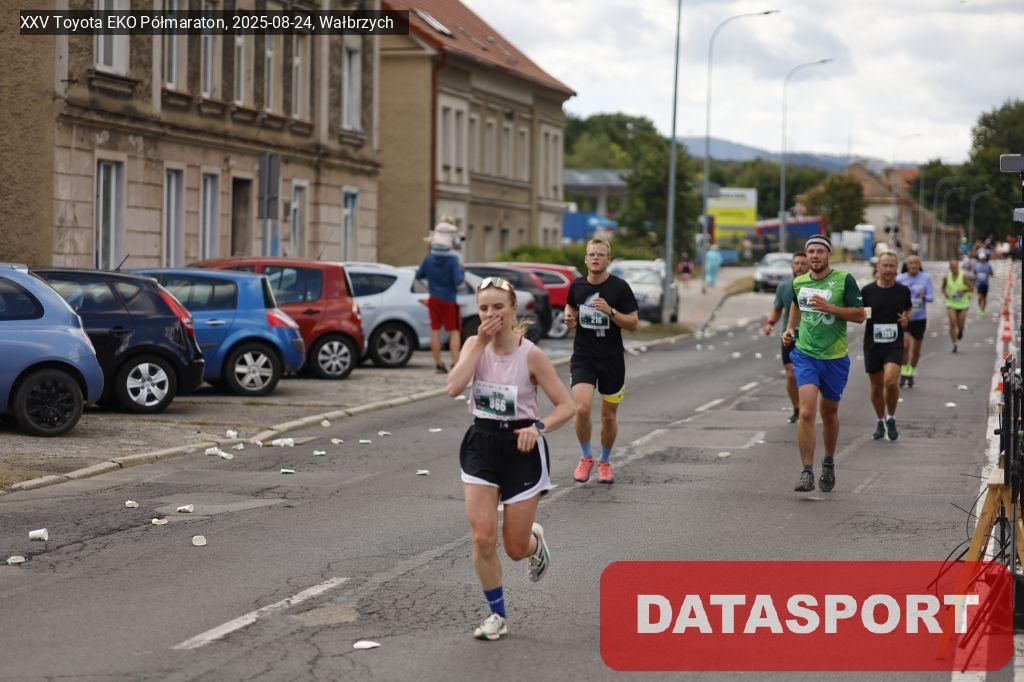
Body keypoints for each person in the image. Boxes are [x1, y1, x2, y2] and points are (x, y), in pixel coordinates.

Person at [446, 276, 574, 641]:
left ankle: (533, 542)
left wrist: (538, 426)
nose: (491, 314)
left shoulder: (530, 355)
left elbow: (567, 406)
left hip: (522, 447)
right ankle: (497, 615)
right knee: (482, 538)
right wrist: (479, 343)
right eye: (484, 308)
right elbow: (453, 387)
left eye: (499, 307)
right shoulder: (473, 345)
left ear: (513, 309)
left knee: (514, 549)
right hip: (482, 444)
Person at [782, 235, 865, 493]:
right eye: (811, 252)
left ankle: (828, 462)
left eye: (820, 251)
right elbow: (796, 305)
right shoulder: (799, 282)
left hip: (835, 358)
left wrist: (831, 308)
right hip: (806, 354)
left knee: (828, 413)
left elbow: (860, 315)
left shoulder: (844, 280)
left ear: (828, 255)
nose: (815, 256)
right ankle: (806, 471)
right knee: (807, 412)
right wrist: (790, 329)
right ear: (806, 255)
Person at [564, 238, 639, 485]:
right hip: (583, 357)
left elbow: (633, 323)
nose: (596, 258)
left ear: (608, 259)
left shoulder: (620, 288)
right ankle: (586, 457)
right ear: (585, 259)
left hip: (612, 360)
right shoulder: (577, 285)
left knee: (608, 417)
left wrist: (610, 311)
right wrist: (569, 318)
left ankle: (604, 461)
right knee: (582, 408)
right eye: (592, 254)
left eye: (600, 254)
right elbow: (570, 307)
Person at [861, 253, 912, 441]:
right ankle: (880, 420)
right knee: (876, 386)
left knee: (890, 381)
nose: (888, 269)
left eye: (892, 266)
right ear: (878, 267)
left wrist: (906, 319)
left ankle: (891, 417)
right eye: (885, 266)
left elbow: (908, 310)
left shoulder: (902, 291)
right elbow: (860, 313)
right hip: (872, 344)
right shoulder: (867, 291)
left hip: (894, 343)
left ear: (896, 269)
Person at [762, 250, 810, 424]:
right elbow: (777, 308)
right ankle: (797, 408)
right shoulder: (784, 287)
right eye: (797, 263)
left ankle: (807, 407)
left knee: (808, 376)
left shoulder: (815, 286)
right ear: (792, 266)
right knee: (791, 375)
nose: (800, 267)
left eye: (803, 263)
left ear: (809, 265)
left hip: (811, 338)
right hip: (790, 337)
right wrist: (770, 323)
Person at [416, 221, 465, 373]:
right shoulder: (453, 259)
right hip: (449, 299)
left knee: (435, 330)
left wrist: (429, 284)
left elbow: (418, 275)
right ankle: (455, 363)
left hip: (433, 299)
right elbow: (458, 281)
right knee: (454, 331)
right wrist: (462, 271)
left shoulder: (429, 258)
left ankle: (438, 363)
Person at [896, 255, 934, 388]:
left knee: (916, 351)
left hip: (920, 318)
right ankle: (903, 372)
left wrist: (924, 296)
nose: (913, 266)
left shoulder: (926, 278)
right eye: (910, 263)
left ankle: (911, 372)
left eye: (915, 263)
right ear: (906, 265)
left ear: (919, 265)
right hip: (905, 318)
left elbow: (931, 297)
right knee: (905, 345)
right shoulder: (900, 279)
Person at [942, 259, 973, 353]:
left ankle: (960, 331)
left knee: (960, 324)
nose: (953, 268)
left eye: (955, 267)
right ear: (949, 267)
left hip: (962, 304)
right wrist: (945, 293)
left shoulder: (963, 276)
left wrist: (963, 290)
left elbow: (971, 288)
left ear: (958, 267)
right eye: (952, 267)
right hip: (951, 303)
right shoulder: (946, 277)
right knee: (952, 322)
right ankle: (954, 344)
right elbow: (943, 288)